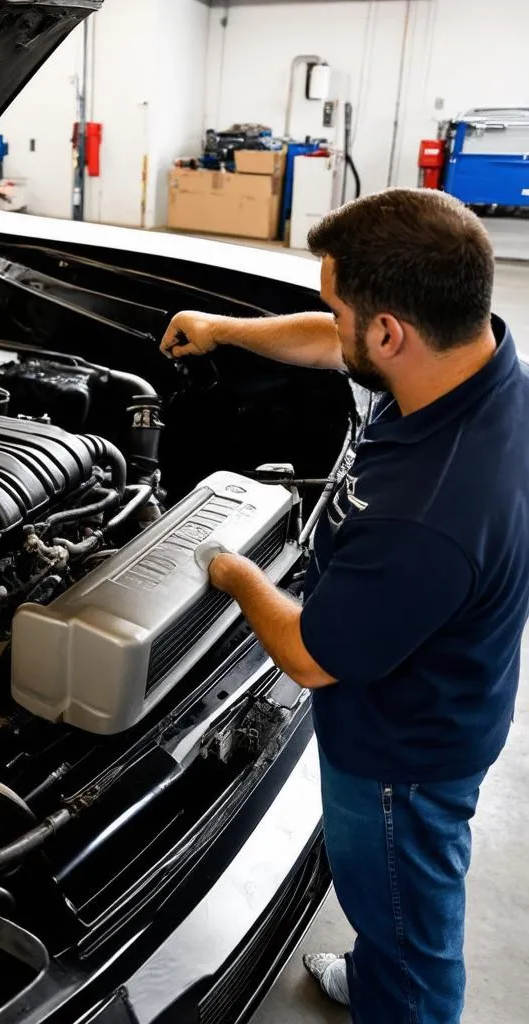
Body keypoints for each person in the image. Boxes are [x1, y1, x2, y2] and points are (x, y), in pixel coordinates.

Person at [160, 188, 529, 1024]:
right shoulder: (467, 364)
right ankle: (374, 981)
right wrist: (223, 330)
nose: (334, 323)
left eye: (342, 306)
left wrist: (231, 567)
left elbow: (306, 656)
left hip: (401, 755)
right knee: (389, 904)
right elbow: (337, 346)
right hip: (432, 691)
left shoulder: (433, 510)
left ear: (392, 332)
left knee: (407, 922)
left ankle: (397, 1001)